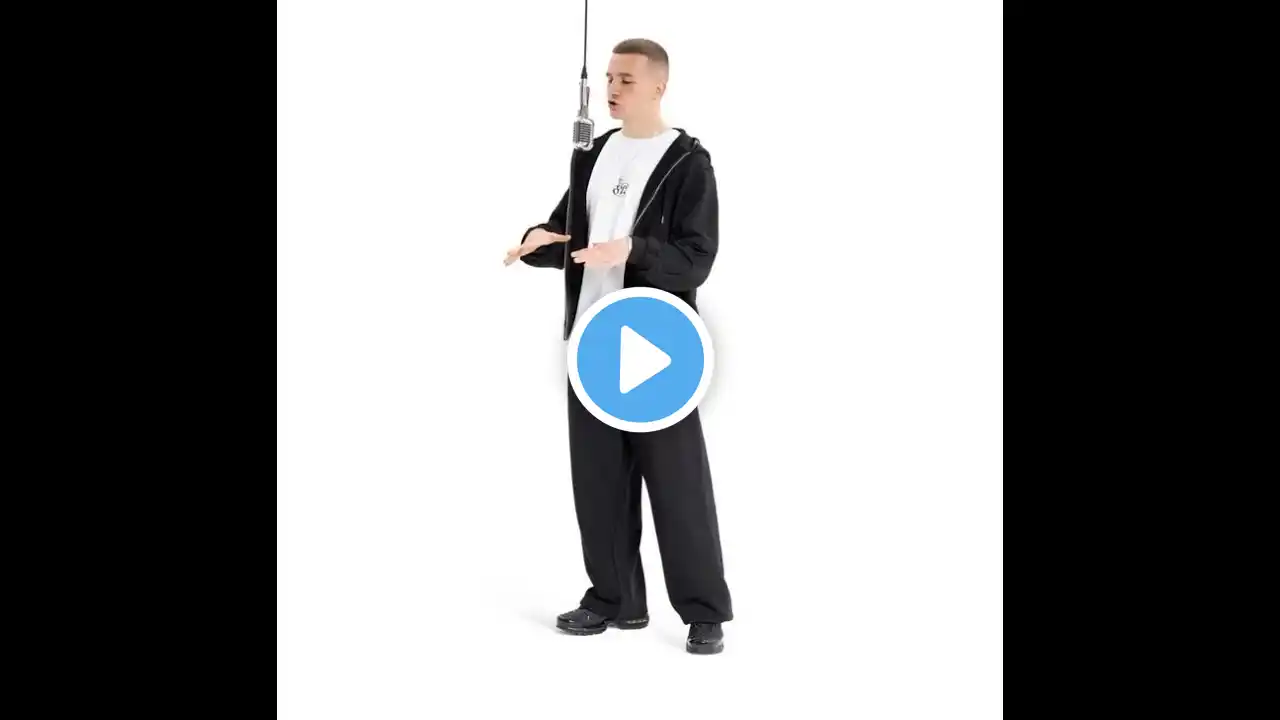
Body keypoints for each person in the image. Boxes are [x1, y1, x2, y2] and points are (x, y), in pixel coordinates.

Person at [503, 38, 732, 655]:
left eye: (626, 80)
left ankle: (704, 611)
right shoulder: (594, 154)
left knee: (677, 481)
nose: (611, 89)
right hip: (592, 339)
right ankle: (614, 601)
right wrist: (538, 240)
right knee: (599, 480)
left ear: (659, 86)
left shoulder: (687, 162)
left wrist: (632, 250)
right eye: (608, 78)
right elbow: (571, 234)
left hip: (657, 343)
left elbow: (696, 258)